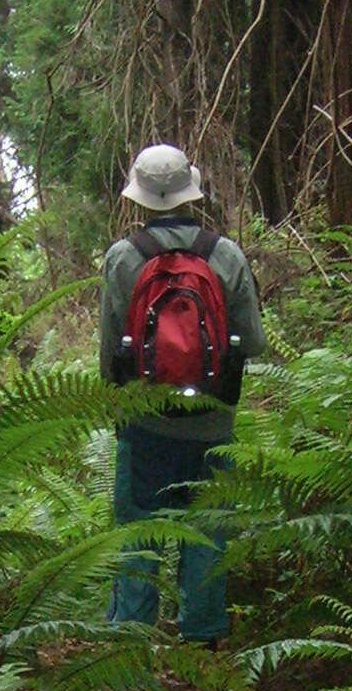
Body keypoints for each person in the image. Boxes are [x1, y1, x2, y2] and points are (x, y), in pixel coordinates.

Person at [99, 142, 265, 645]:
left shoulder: (124, 258)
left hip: (145, 422)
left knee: (138, 532)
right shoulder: (225, 254)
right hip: (212, 425)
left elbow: (110, 351)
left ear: (139, 198)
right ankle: (204, 640)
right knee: (208, 531)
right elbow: (252, 342)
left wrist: (118, 401)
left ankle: (131, 643)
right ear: (191, 193)